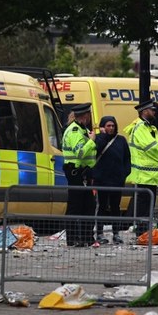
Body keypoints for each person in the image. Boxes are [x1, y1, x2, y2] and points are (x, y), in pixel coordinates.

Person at [125, 99, 158, 236]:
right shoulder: (141, 128)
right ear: (144, 111)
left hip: (149, 175)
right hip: (145, 175)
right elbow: (151, 148)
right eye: (152, 110)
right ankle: (142, 233)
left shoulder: (149, 127)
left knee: (148, 207)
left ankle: (145, 232)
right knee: (144, 207)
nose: (154, 112)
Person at [92, 116, 131, 244]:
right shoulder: (97, 138)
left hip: (116, 180)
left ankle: (116, 233)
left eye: (113, 125)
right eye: (108, 126)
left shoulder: (121, 140)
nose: (111, 128)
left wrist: (124, 173)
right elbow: (96, 150)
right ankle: (99, 233)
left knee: (115, 207)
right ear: (103, 127)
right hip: (102, 180)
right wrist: (103, 136)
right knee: (101, 207)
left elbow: (127, 158)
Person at [61, 103, 96, 246]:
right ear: (85, 115)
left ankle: (86, 238)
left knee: (88, 206)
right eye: (89, 114)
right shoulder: (75, 131)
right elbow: (80, 153)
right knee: (76, 207)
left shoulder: (82, 129)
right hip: (76, 173)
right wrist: (92, 141)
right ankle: (73, 239)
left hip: (83, 173)